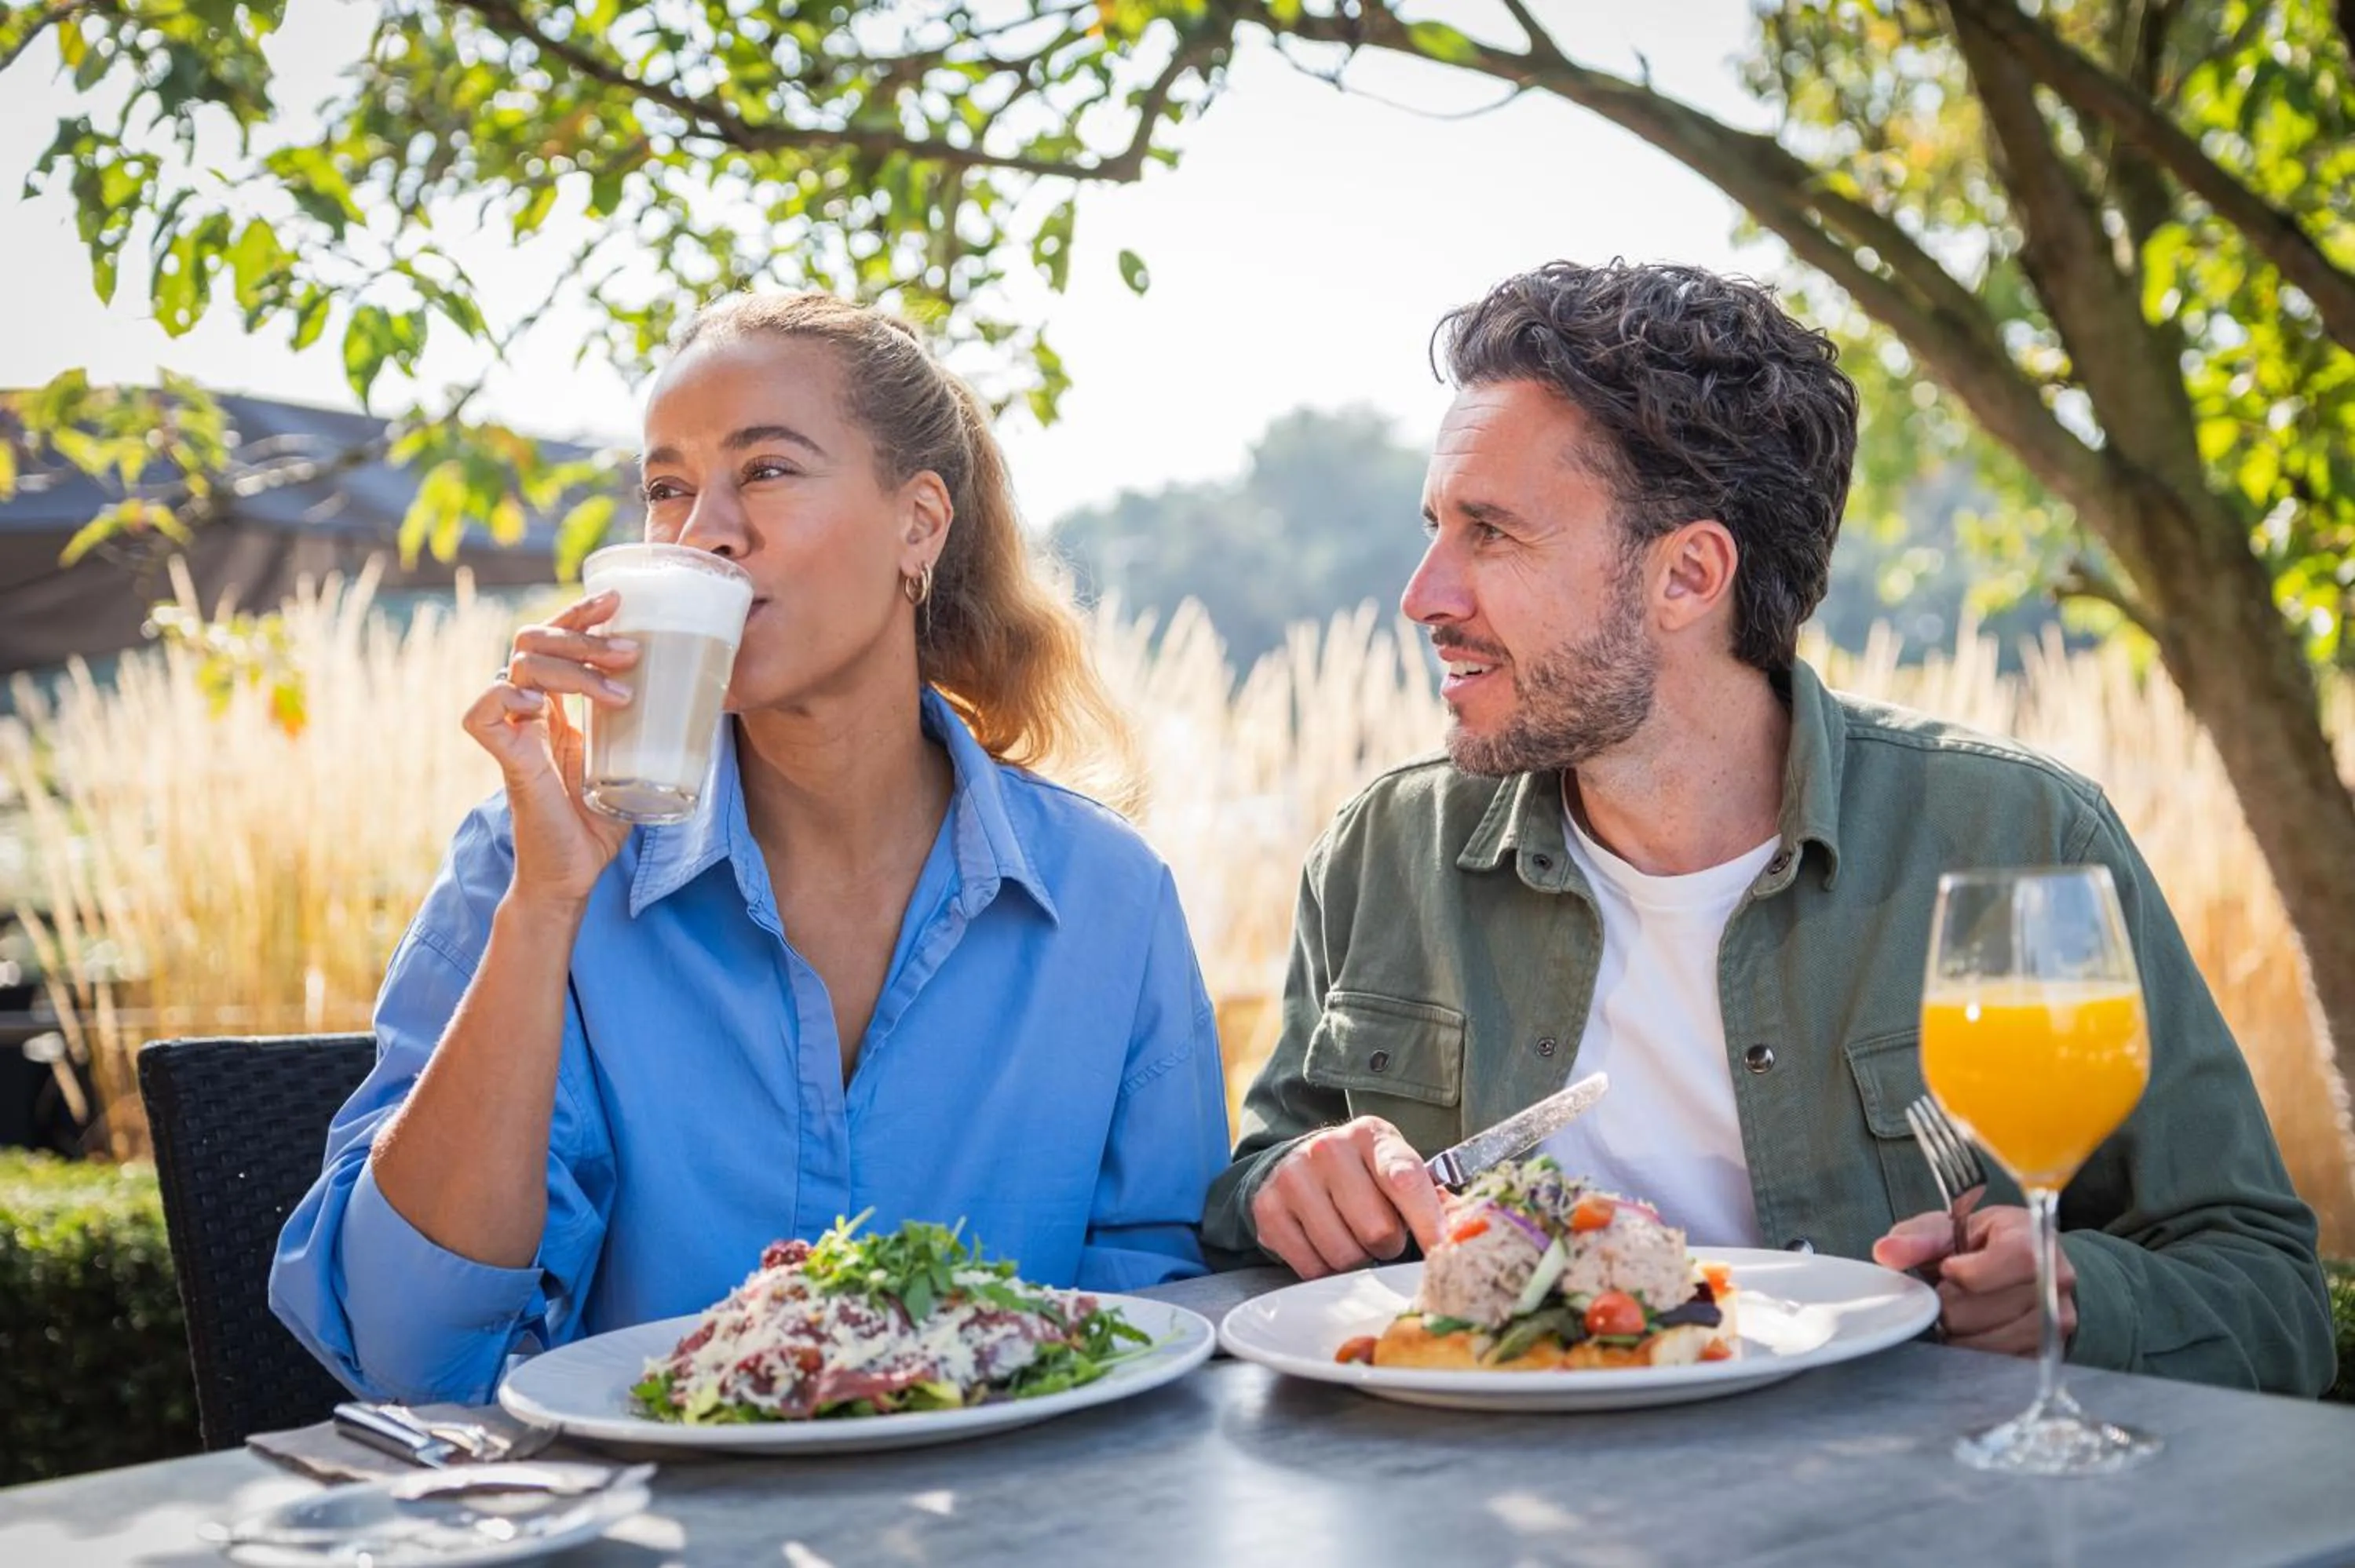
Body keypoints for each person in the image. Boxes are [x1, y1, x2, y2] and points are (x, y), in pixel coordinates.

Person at [1203, 259, 2335, 1395]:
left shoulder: (2021, 836)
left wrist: (2076, 1296)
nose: (1424, 594)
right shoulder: (1380, 852)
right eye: (1436, 525)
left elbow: (2273, 1298)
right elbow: (1259, 1193)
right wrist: (1288, 1186)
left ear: (1689, 572)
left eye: (1489, 534)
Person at [273, 294, 1230, 1403]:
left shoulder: (1108, 899)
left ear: (919, 524)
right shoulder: (532, 858)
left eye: (765, 471)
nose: (701, 532)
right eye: (669, 488)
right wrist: (544, 909)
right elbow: (409, 1351)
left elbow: (1149, 1330)